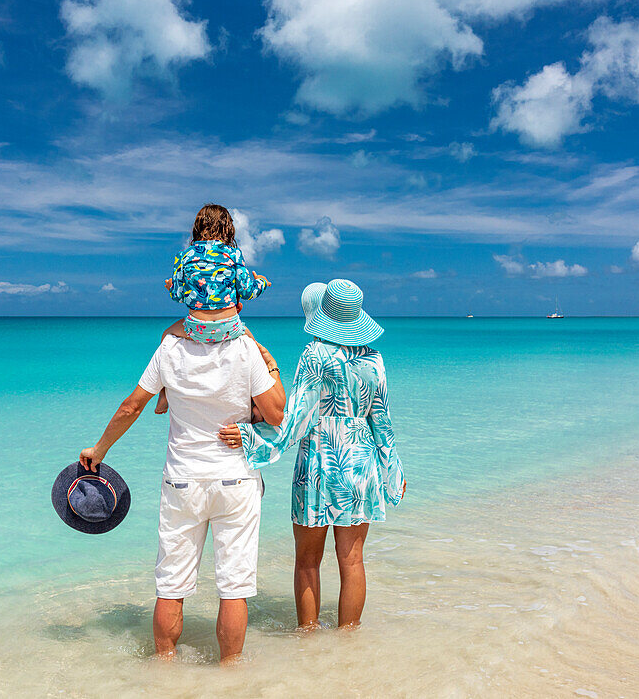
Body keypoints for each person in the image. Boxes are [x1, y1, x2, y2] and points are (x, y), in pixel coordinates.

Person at [79, 322, 285, 664]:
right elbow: (276, 415)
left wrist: (100, 450)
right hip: (234, 480)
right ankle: (231, 673)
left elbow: (131, 406)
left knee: (171, 584)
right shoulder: (246, 349)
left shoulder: (169, 349)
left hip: (182, 481)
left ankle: (164, 669)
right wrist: (271, 363)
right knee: (235, 587)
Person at [219, 279, 406, 631]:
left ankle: (309, 643)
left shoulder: (314, 355)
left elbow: (296, 422)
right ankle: (349, 643)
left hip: (323, 462)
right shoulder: (375, 360)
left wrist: (248, 435)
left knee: (307, 561)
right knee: (353, 562)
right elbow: (382, 421)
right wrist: (392, 470)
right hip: (362, 463)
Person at [155, 203, 270, 415]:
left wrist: (171, 287)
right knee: (256, 349)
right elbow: (247, 292)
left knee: (165, 336)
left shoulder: (184, 257)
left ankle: (163, 394)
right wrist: (261, 283)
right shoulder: (233, 255)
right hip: (230, 328)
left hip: (196, 329)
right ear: (228, 229)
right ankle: (257, 401)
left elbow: (179, 296)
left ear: (197, 228)